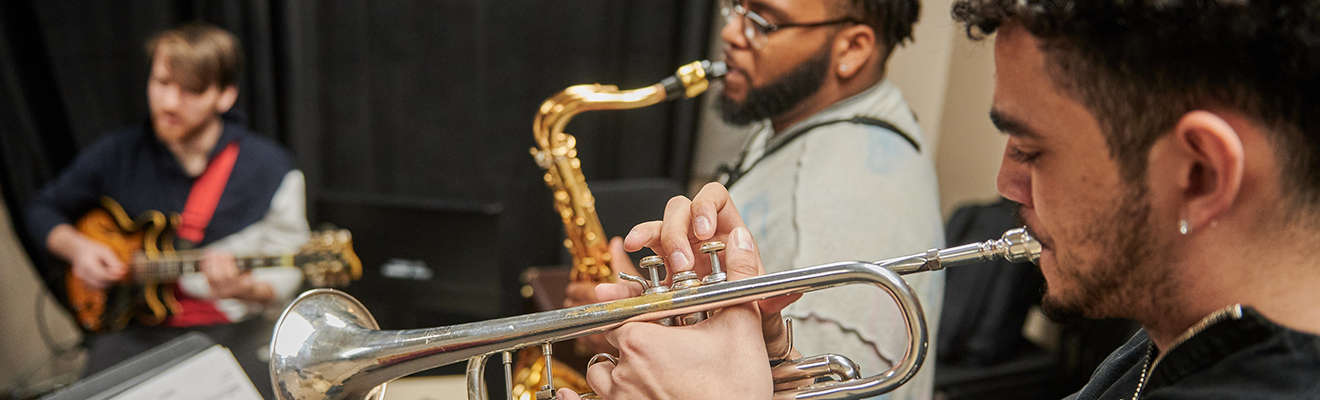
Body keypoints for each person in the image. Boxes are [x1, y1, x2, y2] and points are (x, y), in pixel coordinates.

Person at [561, 0, 1320, 399]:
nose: (1003, 185)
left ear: (1198, 175)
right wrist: (773, 377)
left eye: (1030, 149)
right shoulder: (1181, 333)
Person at [566, 0, 944, 397]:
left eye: (763, 21)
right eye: (736, 8)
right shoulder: (804, 124)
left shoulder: (850, 187)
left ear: (852, 48)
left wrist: (636, 329)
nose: (730, 33)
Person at [25, 22, 308, 399]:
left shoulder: (272, 168)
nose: (169, 103)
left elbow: (289, 265)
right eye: (161, 83)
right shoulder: (117, 153)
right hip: (138, 331)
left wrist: (245, 288)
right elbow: (43, 208)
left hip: (232, 327)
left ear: (224, 96)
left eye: (190, 90)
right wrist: (79, 249)